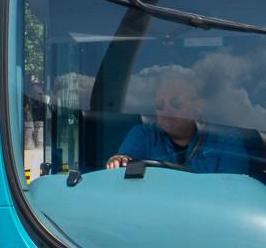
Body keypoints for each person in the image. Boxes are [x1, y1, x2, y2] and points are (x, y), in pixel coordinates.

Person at [106, 72, 251, 174]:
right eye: (160, 104)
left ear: (198, 106)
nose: (166, 110)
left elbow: (232, 188)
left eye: (175, 103)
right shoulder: (143, 135)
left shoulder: (226, 139)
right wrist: (120, 160)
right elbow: (125, 163)